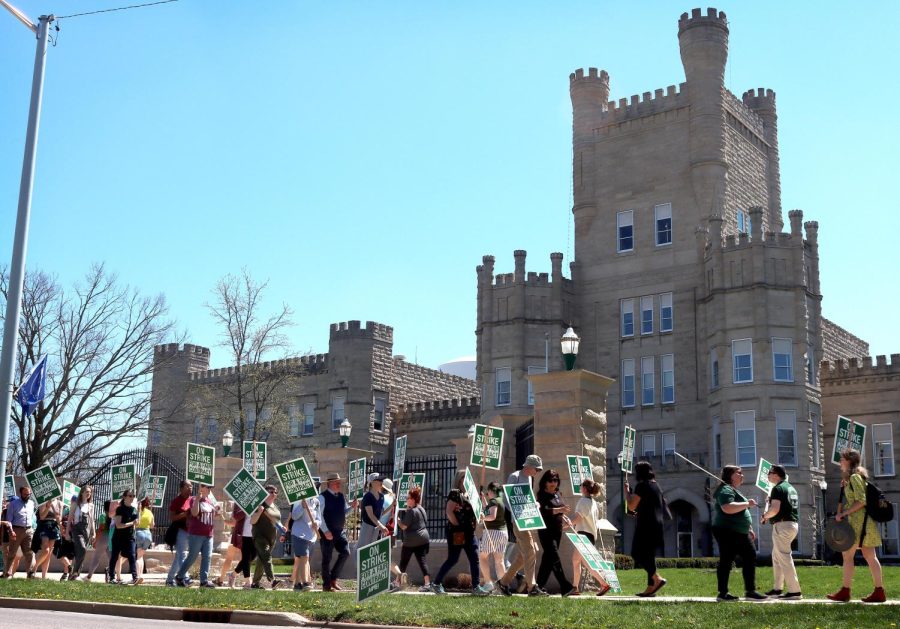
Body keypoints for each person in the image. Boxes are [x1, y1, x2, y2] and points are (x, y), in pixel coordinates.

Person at [827, 448, 886, 603]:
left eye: (842, 459)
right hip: (862, 523)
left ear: (849, 461)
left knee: (851, 556)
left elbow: (861, 500)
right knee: (867, 557)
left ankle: (846, 591)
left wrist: (844, 514)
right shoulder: (852, 479)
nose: (840, 462)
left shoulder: (854, 478)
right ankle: (878, 591)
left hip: (858, 524)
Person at [712, 465, 765, 601]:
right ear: (731, 475)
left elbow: (739, 512)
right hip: (727, 531)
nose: (742, 475)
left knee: (750, 555)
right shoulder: (725, 490)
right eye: (739, 473)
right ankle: (723, 593)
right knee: (727, 560)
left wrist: (749, 528)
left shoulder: (733, 490)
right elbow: (727, 508)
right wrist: (747, 503)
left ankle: (750, 591)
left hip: (740, 531)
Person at [431, 470, 488, 596]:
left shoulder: (471, 494)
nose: (465, 480)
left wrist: (481, 513)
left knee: (474, 558)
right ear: (458, 480)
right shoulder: (455, 493)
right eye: (463, 478)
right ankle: (436, 583)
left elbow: (476, 513)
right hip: (458, 532)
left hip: (470, 532)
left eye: (467, 478)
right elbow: (449, 511)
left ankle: (476, 587)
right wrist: (457, 526)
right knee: (453, 558)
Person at [496, 454, 544, 596]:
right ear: (528, 466)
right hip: (517, 521)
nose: (538, 472)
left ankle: (503, 582)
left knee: (523, 556)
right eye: (537, 469)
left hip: (527, 520)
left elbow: (527, 498)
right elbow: (506, 500)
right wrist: (515, 513)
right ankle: (532, 587)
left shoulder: (529, 478)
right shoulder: (514, 476)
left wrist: (534, 504)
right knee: (530, 551)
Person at [625, 461, 667, 597]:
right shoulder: (656, 486)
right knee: (649, 555)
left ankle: (656, 578)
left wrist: (627, 492)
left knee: (636, 553)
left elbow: (631, 506)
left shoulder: (641, 486)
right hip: (658, 524)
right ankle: (651, 587)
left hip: (646, 524)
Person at [760, 465, 801, 599]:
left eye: (769, 473)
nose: (767, 476)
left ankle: (795, 591)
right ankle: (777, 589)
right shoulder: (790, 487)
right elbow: (782, 506)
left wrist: (765, 516)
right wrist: (771, 502)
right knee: (776, 556)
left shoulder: (777, 488)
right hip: (792, 524)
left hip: (782, 525)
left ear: (776, 475)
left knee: (783, 557)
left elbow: (775, 510)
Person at [535, 469, 575, 596]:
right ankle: (565, 586)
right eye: (550, 480)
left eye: (555, 480)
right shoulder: (541, 495)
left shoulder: (558, 494)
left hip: (557, 531)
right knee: (554, 557)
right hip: (546, 531)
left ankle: (538, 586)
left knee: (548, 560)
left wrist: (565, 517)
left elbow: (561, 511)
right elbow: (544, 511)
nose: (553, 483)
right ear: (545, 482)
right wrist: (559, 510)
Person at [568, 479, 611, 596]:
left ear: (584, 488)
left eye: (581, 485)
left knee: (584, 562)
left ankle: (604, 584)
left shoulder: (582, 501)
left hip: (582, 534)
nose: (579, 486)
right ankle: (575, 587)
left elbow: (579, 517)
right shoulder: (593, 503)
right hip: (590, 535)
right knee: (577, 560)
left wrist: (568, 524)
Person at [317, 472, 357, 592]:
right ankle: (326, 585)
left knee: (345, 552)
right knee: (326, 559)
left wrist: (352, 507)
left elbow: (344, 512)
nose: (339, 484)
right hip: (327, 532)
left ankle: (333, 579)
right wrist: (325, 531)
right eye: (336, 482)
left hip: (339, 532)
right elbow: (319, 516)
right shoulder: (322, 497)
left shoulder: (340, 496)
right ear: (330, 483)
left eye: (339, 482)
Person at [176, 483, 219, 588]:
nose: (208, 489)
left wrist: (218, 509)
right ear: (200, 487)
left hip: (209, 534)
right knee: (192, 556)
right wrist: (197, 500)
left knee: (207, 557)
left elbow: (216, 514)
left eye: (210, 487)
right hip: (196, 534)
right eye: (206, 487)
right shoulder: (193, 499)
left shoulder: (210, 501)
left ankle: (204, 581)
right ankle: (180, 576)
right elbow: (194, 513)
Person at [391, 486, 431, 592]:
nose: (406, 500)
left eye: (408, 498)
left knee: (403, 562)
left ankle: (397, 582)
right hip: (424, 539)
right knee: (422, 562)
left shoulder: (411, 512)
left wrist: (397, 519)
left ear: (413, 500)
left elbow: (404, 526)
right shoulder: (421, 509)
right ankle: (427, 584)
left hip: (411, 540)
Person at [251, 484, 283, 590]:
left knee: (262, 560)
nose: (273, 493)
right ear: (264, 493)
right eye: (270, 491)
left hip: (271, 538)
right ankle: (273, 580)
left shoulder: (276, 508)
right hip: (259, 537)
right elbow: (252, 521)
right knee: (267, 557)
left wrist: (283, 530)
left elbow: (277, 522)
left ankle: (255, 583)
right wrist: (259, 512)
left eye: (275, 492)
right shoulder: (260, 505)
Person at [478, 482, 507, 592]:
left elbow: (492, 516)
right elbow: (489, 509)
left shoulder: (494, 501)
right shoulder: (500, 501)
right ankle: (504, 585)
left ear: (491, 491)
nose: (487, 494)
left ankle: (488, 583)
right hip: (503, 533)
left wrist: (482, 518)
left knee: (483, 557)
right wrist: (484, 501)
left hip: (492, 532)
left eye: (488, 492)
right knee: (499, 560)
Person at [289, 491, 319, 591]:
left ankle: (297, 584)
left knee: (302, 559)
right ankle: (306, 582)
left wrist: (317, 523)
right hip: (299, 534)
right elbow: (294, 516)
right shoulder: (298, 501)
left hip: (311, 535)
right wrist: (302, 506)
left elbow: (319, 518)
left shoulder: (316, 502)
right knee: (304, 557)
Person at [2, 485, 35, 578]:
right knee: (12, 553)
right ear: (21, 493)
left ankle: (30, 573)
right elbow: (9, 520)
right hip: (16, 530)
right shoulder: (13, 504)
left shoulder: (32, 503)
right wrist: (11, 531)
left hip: (28, 530)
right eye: (25, 494)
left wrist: (31, 529)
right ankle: (7, 573)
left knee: (29, 553)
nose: (27, 496)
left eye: (29, 494)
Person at [109, 490, 140, 585]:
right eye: (130, 496)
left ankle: (135, 577)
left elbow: (137, 524)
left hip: (130, 537)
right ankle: (111, 577)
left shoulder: (134, 509)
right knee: (114, 556)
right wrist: (132, 523)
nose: (132, 498)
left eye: (133, 496)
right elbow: (118, 525)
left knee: (132, 555)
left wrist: (139, 511)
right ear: (124, 497)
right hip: (119, 537)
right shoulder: (120, 509)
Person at [166, 480, 194, 587]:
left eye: (191, 486)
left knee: (179, 556)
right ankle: (184, 578)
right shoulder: (176, 501)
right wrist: (184, 514)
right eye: (188, 486)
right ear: (181, 488)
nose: (190, 488)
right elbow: (172, 517)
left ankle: (169, 579)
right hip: (180, 530)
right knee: (182, 554)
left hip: (191, 531)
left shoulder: (193, 500)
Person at [69, 485, 95, 581]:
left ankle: (75, 575)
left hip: (87, 531)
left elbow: (92, 520)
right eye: (87, 492)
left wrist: (94, 533)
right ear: (82, 493)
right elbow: (70, 518)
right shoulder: (76, 504)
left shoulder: (91, 505)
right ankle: (75, 572)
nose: (88, 494)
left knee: (81, 553)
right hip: (77, 529)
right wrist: (67, 532)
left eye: (90, 492)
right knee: (82, 549)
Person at [33, 495, 63, 579]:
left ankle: (44, 576)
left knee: (49, 553)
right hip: (44, 525)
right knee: (46, 550)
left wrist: (53, 507)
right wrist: (48, 506)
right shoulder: (43, 501)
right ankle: (34, 568)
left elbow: (59, 519)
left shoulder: (60, 503)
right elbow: (42, 516)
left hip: (54, 526)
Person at [82, 499, 111, 582]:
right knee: (111, 558)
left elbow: (101, 529)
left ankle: (89, 576)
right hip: (111, 538)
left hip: (103, 538)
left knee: (96, 558)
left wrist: (95, 541)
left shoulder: (103, 515)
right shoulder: (114, 515)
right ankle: (109, 573)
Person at [214, 501, 242, 588]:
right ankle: (246, 581)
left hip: (239, 535)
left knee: (231, 558)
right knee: (243, 559)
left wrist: (222, 517)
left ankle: (222, 579)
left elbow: (232, 523)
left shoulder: (238, 505)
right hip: (243, 535)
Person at [230, 505, 255, 589]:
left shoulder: (260, 500)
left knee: (250, 557)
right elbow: (236, 516)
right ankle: (248, 582)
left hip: (256, 535)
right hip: (244, 534)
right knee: (246, 559)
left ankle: (233, 574)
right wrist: (246, 509)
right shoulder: (240, 502)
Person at [359, 474, 387, 547]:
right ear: (372, 482)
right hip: (367, 526)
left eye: (382, 480)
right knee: (363, 549)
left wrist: (392, 505)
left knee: (371, 549)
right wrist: (381, 526)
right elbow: (370, 515)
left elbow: (381, 513)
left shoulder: (382, 496)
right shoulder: (368, 497)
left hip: (376, 527)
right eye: (379, 480)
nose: (382, 481)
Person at [134, 496, 155, 582]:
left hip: (139, 533)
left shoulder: (136, 511)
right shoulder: (150, 512)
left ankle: (138, 576)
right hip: (148, 535)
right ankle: (140, 575)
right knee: (141, 556)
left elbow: (135, 523)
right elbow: (152, 525)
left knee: (138, 557)